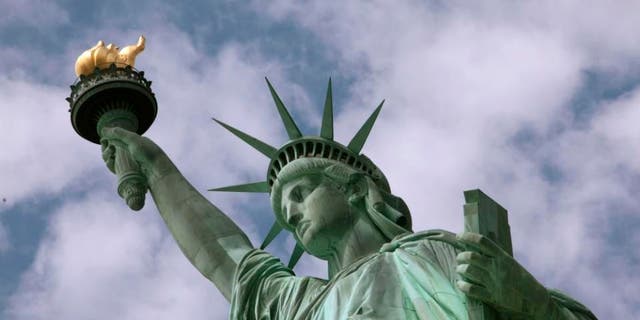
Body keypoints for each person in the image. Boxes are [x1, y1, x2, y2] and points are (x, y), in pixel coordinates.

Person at [100, 81, 597, 319]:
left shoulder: (441, 252)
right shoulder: (304, 305)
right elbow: (226, 261)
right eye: (283, 209)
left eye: (300, 193)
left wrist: (529, 301)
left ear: (355, 190)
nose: (290, 213)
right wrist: (156, 167)